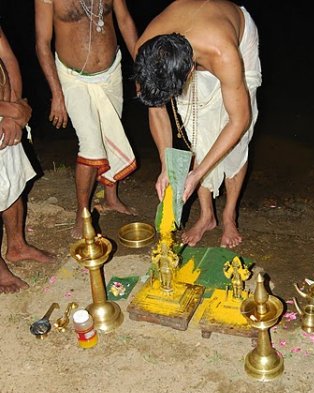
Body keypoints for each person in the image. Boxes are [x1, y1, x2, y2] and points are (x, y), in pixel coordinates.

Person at [133, 0, 262, 248]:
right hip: (196, 42)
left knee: (235, 145)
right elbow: (156, 109)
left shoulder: (223, 53)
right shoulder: (147, 52)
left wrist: (198, 174)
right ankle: (207, 216)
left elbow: (239, 120)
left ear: (191, 70)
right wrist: (165, 165)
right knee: (197, 131)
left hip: (235, 38)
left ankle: (228, 215)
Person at [35, 0, 138, 239]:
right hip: (73, 78)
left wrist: (141, 68)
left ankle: (111, 198)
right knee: (91, 145)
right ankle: (82, 213)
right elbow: (42, 43)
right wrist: (57, 93)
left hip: (112, 70)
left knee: (112, 132)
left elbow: (124, 21)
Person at [0, 27, 55, 294]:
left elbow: (9, 59)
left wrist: (12, 114)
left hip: (6, 114)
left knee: (13, 180)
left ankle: (17, 245)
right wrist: (8, 108)